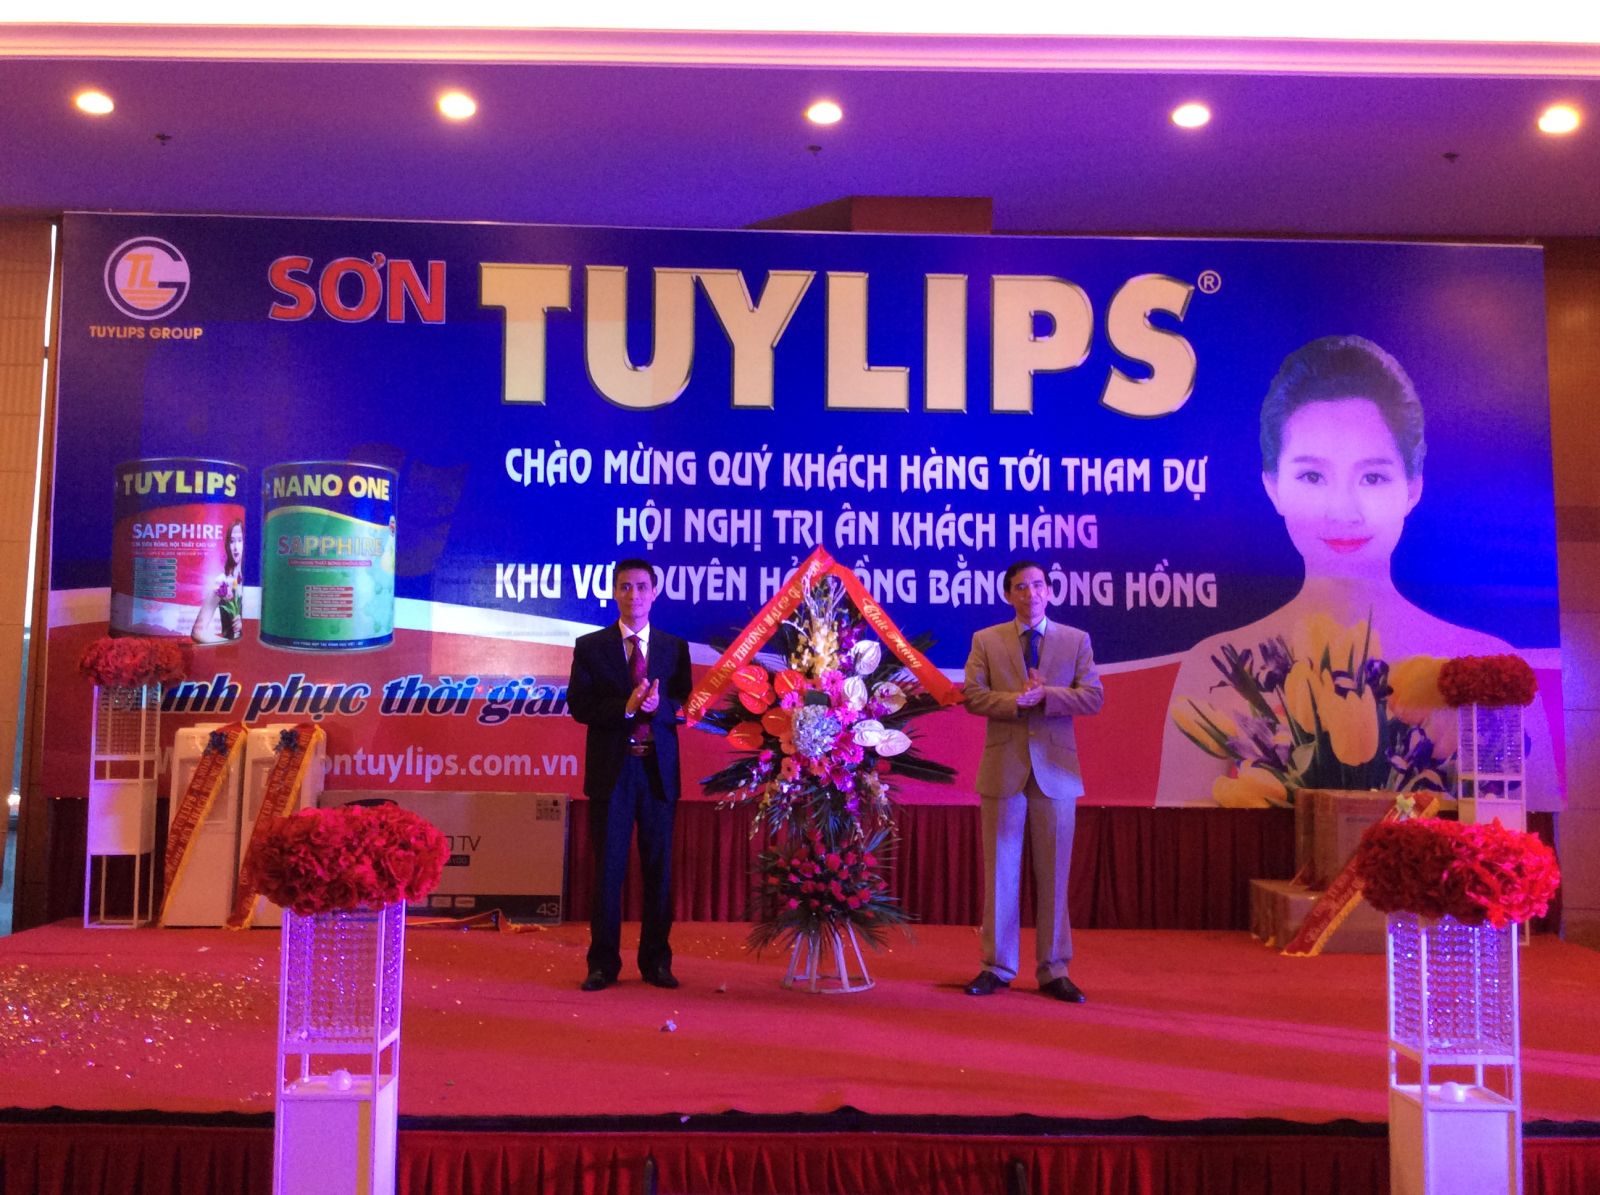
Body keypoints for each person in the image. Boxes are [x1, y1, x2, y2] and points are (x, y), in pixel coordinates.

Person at [1156, 334, 1556, 805]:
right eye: (1312, 476)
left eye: (1372, 477)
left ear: (1413, 487)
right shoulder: (1217, 666)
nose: (1343, 511)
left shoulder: (1487, 667)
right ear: (1272, 486)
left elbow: (1523, 825)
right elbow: (1187, 833)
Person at [962, 560, 1105, 1002]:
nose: (1032, 593)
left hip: (1056, 772)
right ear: (1008, 595)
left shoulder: (1075, 640)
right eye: (1021, 587)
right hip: (1003, 767)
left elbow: (1093, 697)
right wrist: (1015, 702)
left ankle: (1054, 968)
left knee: (1055, 875)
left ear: (1050, 590)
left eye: (1039, 585)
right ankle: (997, 966)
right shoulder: (986, 640)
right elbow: (973, 696)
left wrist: (1048, 696)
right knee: (1000, 873)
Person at [567, 557, 693, 991]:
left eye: (641, 587)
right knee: (608, 871)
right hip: (612, 772)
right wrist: (626, 707)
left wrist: (660, 708)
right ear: (614, 592)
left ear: (654, 593)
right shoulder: (591, 646)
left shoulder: (674, 648)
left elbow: (684, 704)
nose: (633, 595)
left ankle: (656, 962)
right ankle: (603, 964)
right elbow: (580, 705)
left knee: (659, 870)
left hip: (657, 772)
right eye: (625, 586)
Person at [191, 518, 244, 644]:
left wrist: (245, 623)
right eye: (232, 541)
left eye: (240, 540)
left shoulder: (256, 582)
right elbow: (198, 632)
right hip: (234, 652)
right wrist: (229, 644)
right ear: (227, 545)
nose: (235, 547)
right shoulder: (222, 582)